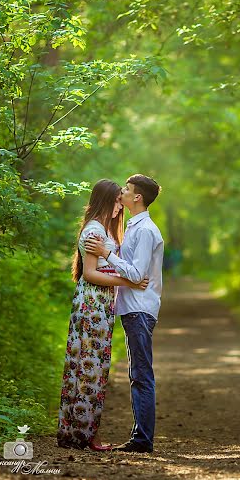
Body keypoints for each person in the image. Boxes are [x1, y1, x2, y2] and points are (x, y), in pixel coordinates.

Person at [57, 179, 149, 452]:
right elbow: (90, 273)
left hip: (100, 303)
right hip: (92, 304)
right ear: (105, 201)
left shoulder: (101, 229)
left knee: (91, 366)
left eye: (122, 202)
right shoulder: (95, 230)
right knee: (90, 367)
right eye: (117, 202)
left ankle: (79, 432)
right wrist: (129, 282)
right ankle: (85, 435)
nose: (120, 207)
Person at [85, 173, 164, 454]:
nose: (123, 193)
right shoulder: (134, 225)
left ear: (137, 197)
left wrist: (106, 252)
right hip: (133, 308)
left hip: (139, 309)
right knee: (138, 373)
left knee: (141, 375)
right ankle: (140, 436)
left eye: (127, 190)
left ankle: (142, 440)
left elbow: (136, 274)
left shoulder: (144, 230)